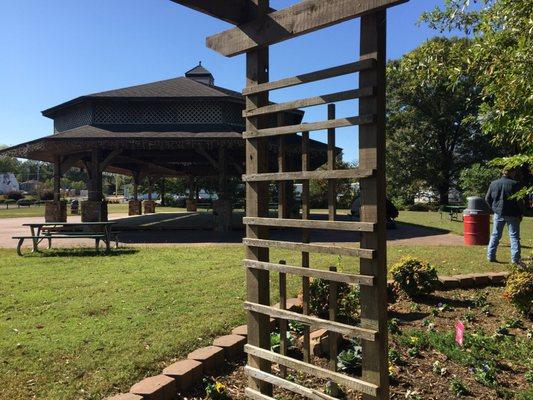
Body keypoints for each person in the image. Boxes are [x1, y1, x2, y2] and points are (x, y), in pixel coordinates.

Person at [485, 168, 524, 264]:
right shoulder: (515, 184)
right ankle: (515, 259)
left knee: (495, 235)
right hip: (513, 214)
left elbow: (487, 199)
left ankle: (490, 256)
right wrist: (521, 213)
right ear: (512, 172)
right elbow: (519, 202)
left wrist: (494, 209)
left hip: (498, 213)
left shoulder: (493, 183)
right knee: (514, 237)